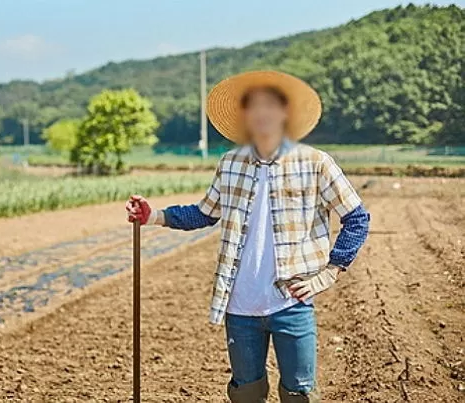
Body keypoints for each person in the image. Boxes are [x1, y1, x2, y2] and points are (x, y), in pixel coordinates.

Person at [126, 71, 370, 403]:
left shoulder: (315, 163)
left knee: (300, 394)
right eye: (254, 107)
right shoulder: (230, 163)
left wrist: (328, 273)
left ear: (285, 113)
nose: (262, 114)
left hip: (291, 302)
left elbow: (357, 218)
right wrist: (153, 216)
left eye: (270, 106)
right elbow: (205, 213)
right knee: (246, 393)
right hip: (240, 306)